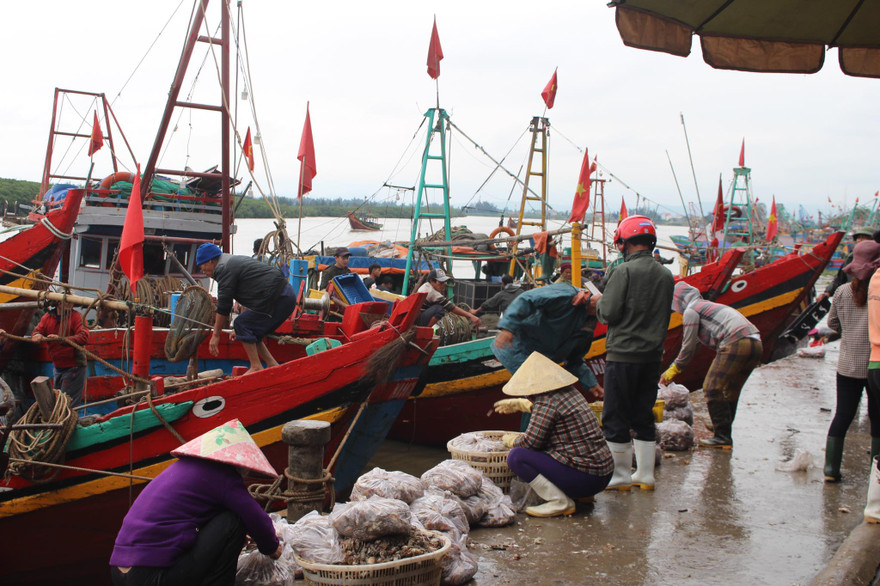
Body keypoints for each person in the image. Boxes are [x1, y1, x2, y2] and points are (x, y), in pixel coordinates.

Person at [109, 419, 282, 585]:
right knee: (233, 521)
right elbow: (254, 517)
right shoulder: (223, 476)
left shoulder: (182, 468)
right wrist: (272, 548)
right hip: (150, 577)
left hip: (120, 573)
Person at [596, 215, 674, 491]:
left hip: (623, 355)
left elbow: (608, 313)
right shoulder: (666, 275)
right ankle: (645, 475)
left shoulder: (623, 272)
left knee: (615, 415)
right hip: (652, 357)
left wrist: (598, 301)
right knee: (643, 414)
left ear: (623, 243)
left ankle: (619, 476)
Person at [495, 352, 613, 517]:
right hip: (603, 474)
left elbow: (530, 443)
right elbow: (555, 414)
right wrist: (525, 405)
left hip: (587, 478)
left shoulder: (546, 401)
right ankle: (583, 495)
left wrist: (511, 441)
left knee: (516, 456)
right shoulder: (570, 391)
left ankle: (559, 501)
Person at [660, 281, 763, 449]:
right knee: (731, 390)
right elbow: (695, 345)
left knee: (711, 388)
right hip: (755, 342)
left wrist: (674, 369)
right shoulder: (706, 306)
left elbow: (688, 347)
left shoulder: (691, 311)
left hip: (735, 342)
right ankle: (722, 428)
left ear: (678, 300)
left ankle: (722, 437)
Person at [823, 240, 880, 481]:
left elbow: (832, 323)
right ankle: (874, 473)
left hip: (847, 365)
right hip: (874, 364)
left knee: (843, 415)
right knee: (877, 417)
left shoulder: (842, 291)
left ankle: (830, 470)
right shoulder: (877, 291)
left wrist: (849, 331)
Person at [492, 282, 603, 405]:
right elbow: (527, 299)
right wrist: (508, 328)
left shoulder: (587, 326)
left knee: (543, 401)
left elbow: (574, 360)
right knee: (542, 399)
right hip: (517, 350)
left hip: (543, 363)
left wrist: (591, 383)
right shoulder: (566, 294)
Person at [196, 243, 297, 374]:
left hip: (279, 297)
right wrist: (239, 330)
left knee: (241, 323)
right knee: (249, 328)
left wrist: (215, 335)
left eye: (203, 266)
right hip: (283, 295)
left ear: (211, 261)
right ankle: (272, 365)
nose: (202, 270)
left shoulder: (224, 269)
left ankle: (256, 366)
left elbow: (224, 306)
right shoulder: (229, 262)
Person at [13, 298, 91, 408]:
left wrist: (62, 339)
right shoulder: (47, 317)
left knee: (67, 405)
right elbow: (37, 330)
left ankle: (67, 419)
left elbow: (84, 337)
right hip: (58, 367)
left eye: (71, 301)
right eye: (66, 301)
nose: (69, 303)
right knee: (58, 403)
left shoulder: (77, 317)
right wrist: (36, 335)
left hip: (74, 366)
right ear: (57, 303)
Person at [817, 228, 875, 302]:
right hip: (852, 298)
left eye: (864, 237)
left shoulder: (876, 260)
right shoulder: (850, 258)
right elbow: (839, 279)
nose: (860, 240)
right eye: (859, 238)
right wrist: (827, 292)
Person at [416, 269, 482, 328]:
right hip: (418, 319)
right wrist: (470, 316)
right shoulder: (432, 292)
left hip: (419, 316)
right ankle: (425, 330)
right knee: (439, 309)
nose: (443, 285)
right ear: (432, 281)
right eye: (440, 282)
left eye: (444, 282)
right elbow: (451, 307)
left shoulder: (426, 286)